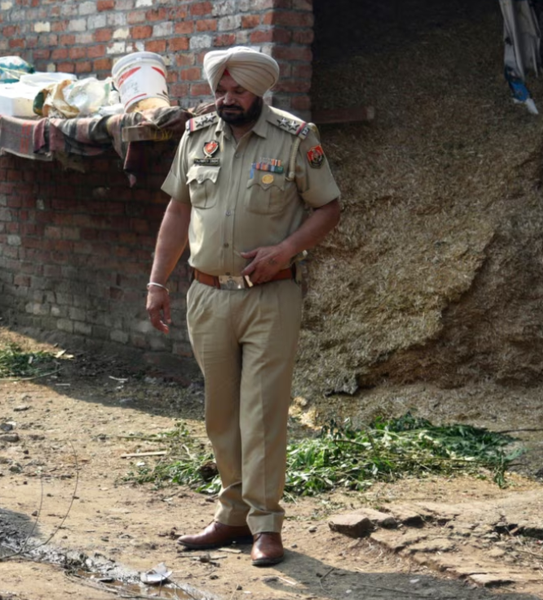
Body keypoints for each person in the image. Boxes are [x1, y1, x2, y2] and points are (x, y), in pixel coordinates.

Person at [146, 47, 342, 567]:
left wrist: (286, 250)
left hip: (270, 299)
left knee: (262, 413)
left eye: (238, 92)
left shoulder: (297, 138)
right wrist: (157, 282)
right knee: (220, 413)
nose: (227, 100)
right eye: (221, 91)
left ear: (260, 92)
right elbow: (178, 209)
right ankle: (230, 515)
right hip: (207, 295)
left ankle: (266, 524)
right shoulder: (196, 136)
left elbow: (329, 207)